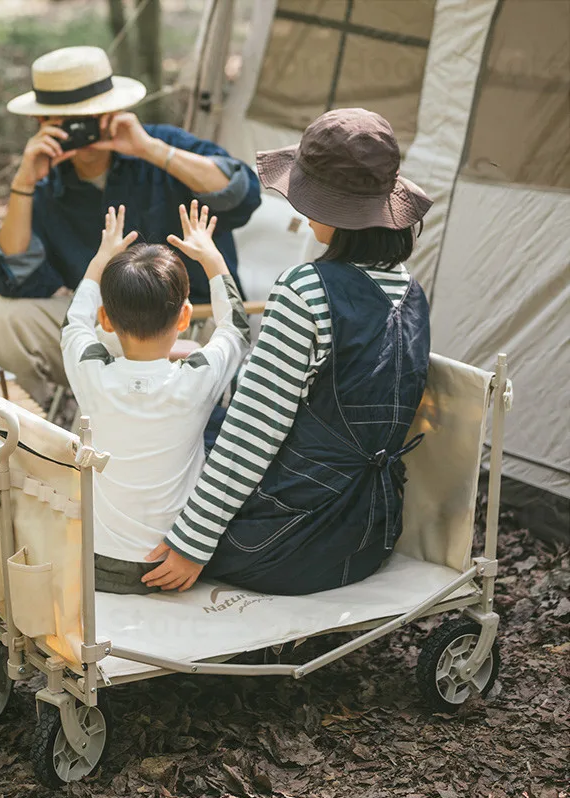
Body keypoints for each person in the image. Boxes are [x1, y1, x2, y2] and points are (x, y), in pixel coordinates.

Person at [141, 108, 434, 595]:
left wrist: (192, 543)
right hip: (368, 534)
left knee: (170, 445)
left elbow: (253, 431)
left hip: (285, 542)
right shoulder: (412, 292)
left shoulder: (306, 289)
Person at [0, 45, 260, 404]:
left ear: (113, 110)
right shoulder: (47, 186)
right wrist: (23, 184)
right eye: (67, 121)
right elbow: (15, 280)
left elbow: (243, 195)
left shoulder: (161, 146)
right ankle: (23, 447)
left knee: (128, 334)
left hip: (188, 325)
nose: (82, 131)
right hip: (104, 328)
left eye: (90, 117)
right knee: (0, 317)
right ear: (42, 124)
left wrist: (151, 150)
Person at [61, 202, 250, 594]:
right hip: (174, 560)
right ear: (184, 319)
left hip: (94, 563)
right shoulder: (196, 381)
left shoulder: (91, 373)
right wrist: (212, 257)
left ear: (107, 321)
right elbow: (235, 328)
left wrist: (100, 259)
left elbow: (74, 321)